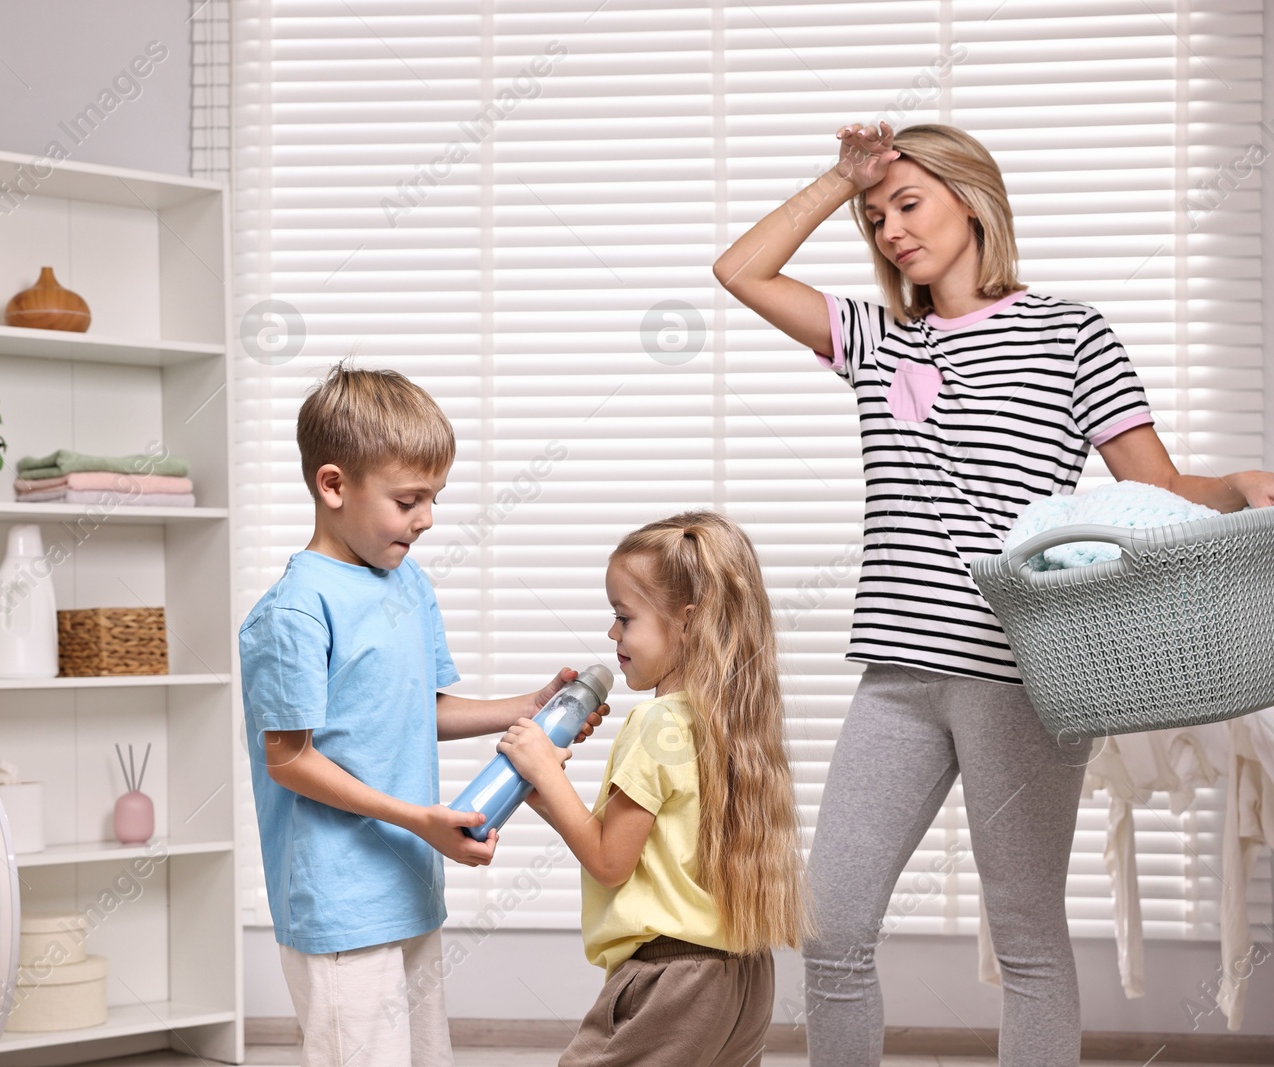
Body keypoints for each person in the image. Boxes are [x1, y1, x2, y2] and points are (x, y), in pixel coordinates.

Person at [711, 121, 1274, 1065]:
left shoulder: (1071, 331)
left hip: (1023, 675)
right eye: (874, 215)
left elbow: (1156, 485)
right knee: (832, 926)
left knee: (1026, 936)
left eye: (909, 202)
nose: (889, 229)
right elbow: (742, 270)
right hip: (898, 674)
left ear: (972, 200)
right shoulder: (877, 339)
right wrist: (840, 176)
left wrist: (1240, 487)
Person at [239, 362, 607, 1067]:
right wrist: (419, 818)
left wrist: (529, 706)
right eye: (409, 499)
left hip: (408, 878)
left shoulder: (407, 580)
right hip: (340, 899)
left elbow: (420, 708)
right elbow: (287, 757)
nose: (428, 518)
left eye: (434, 497)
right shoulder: (296, 610)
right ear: (334, 484)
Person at [499, 510, 809, 1067]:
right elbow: (654, 844)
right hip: (742, 978)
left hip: (673, 980)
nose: (612, 634)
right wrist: (550, 797)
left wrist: (544, 767)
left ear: (687, 622)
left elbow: (610, 860)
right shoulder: (733, 721)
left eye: (624, 617)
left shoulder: (658, 722)